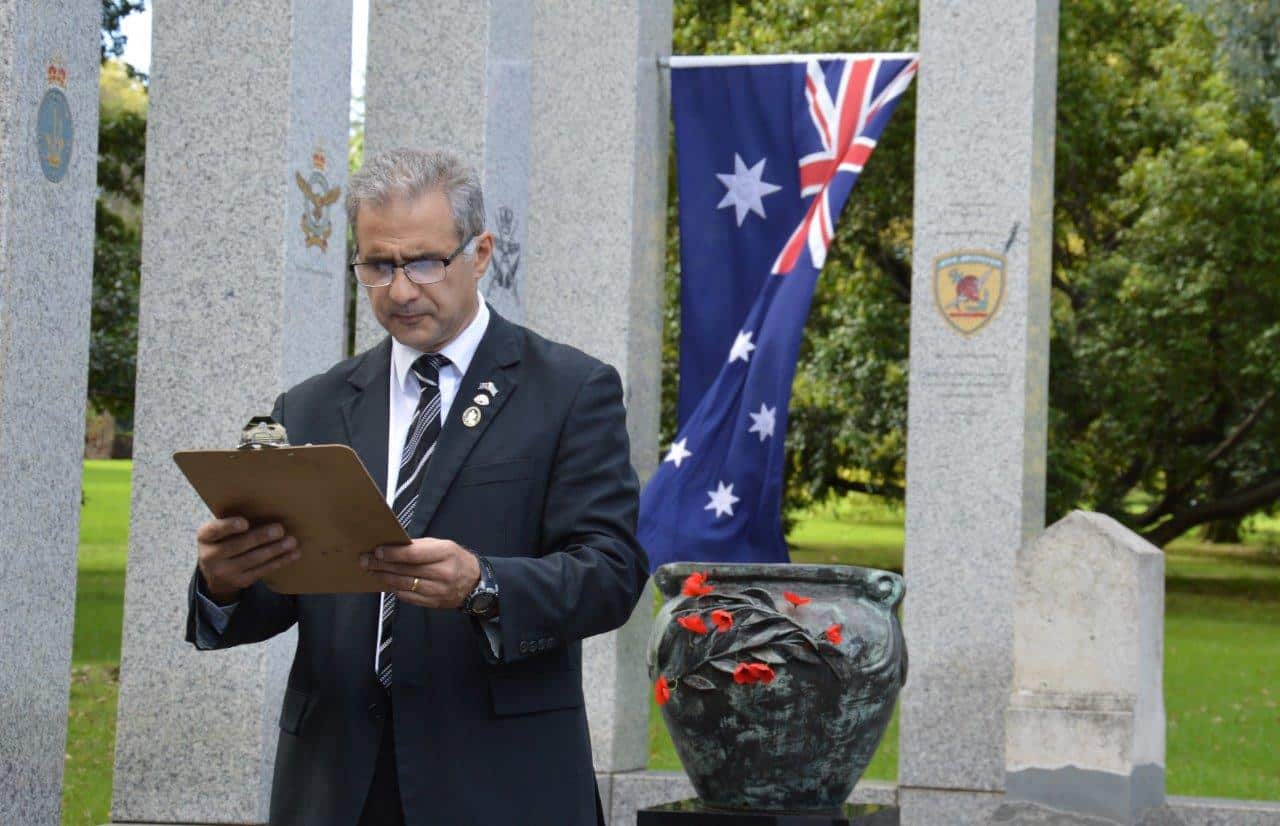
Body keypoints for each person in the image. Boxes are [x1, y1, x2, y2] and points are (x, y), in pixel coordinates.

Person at [184, 147, 649, 825]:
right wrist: (225, 583)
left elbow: (611, 573)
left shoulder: (571, 390)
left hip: (501, 782)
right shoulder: (309, 408)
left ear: (480, 253)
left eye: (425, 263)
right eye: (377, 266)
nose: (400, 291)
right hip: (335, 785)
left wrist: (485, 585)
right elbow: (285, 592)